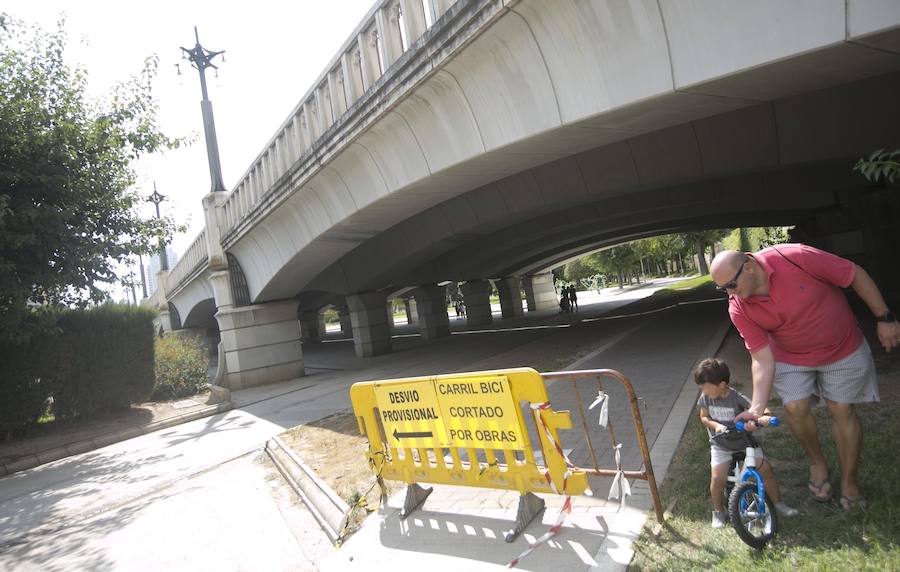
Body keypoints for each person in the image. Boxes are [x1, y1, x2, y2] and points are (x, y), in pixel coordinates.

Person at [710, 244, 900, 510]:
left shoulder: (796, 257)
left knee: (842, 409)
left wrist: (884, 317)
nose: (730, 293)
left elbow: (853, 273)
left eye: (731, 284)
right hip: (791, 356)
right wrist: (756, 407)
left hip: (842, 347)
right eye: (723, 289)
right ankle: (818, 463)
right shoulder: (739, 307)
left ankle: (849, 483)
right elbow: (762, 358)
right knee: (794, 408)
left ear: (749, 267)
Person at [694, 358, 798, 528]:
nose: (702, 390)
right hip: (721, 444)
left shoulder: (736, 397)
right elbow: (704, 417)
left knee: (766, 471)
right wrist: (716, 426)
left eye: (705, 386)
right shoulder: (706, 398)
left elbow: (760, 409)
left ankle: (778, 503)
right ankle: (719, 511)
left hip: (744, 442)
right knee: (717, 478)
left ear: (721, 384)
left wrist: (764, 417)